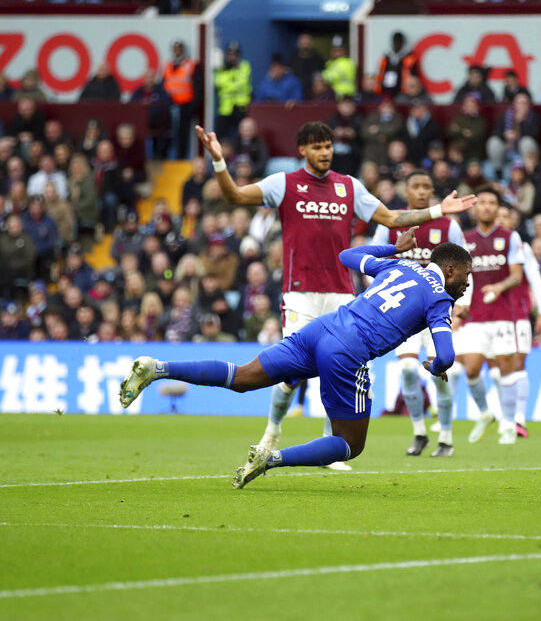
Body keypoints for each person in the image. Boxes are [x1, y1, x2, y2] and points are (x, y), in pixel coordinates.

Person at [193, 121, 477, 469]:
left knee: (340, 366)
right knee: (294, 374)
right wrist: (220, 162)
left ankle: (329, 449)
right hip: (300, 291)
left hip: (342, 292)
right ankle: (274, 430)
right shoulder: (284, 184)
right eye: (317, 146)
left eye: (328, 145)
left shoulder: (349, 187)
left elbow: (391, 217)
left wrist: (437, 211)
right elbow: (236, 196)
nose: (324, 152)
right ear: (302, 150)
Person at [119, 233, 472, 489]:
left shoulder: (399, 268)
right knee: (351, 444)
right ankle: (270, 458)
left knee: (243, 377)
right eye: (467, 277)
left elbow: (349, 254)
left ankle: (156, 367)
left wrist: (395, 247)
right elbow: (445, 355)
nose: (467, 286)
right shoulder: (440, 298)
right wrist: (435, 368)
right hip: (349, 352)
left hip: (322, 328)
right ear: (452, 270)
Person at [371, 171, 468, 457]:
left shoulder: (447, 225)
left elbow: (465, 265)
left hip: (437, 312)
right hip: (404, 314)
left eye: (427, 186)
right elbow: (373, 262)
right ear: (407, 190)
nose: (422, 191)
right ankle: (419, 433)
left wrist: (463, 302)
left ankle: (447, 438)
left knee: (440, 373)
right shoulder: (390, 222)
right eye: (416, 186)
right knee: (409, 370)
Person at [461, 187, 526, 445]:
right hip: (475, 316)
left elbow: (517, 275)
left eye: (492, 203)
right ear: (475, 208)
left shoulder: (510, 237)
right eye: (482, 203)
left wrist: (499, 286)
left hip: (502, 315)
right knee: (472, 368)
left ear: (498, 208)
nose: (487, 207)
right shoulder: (465, 239)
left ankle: (508, 423)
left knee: (506, 370)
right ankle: (486, 412)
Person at [496, 204, 541, 439]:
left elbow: (535, 279)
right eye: (499, 216)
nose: (501, 221)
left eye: (506, 217)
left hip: (517, 314)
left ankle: (518, 418)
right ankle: (501, 415)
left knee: (518, 363)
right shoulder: (478, 246)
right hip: (486, 318)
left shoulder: (521, 247)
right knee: (492, 367)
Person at [162, 40, 200, 160]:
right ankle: (165, 156)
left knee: (183, 134)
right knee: (168, 132)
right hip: (169, 105)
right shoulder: (168, 65)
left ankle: (181, 157)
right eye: (175, 48)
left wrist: (193, 105)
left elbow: (198, 87)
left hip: (185, 105)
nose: (177, 51)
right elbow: (164, 84)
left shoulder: (191, 65)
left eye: (179, 48)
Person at [213, 42, 251, 138]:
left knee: (243, 135)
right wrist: (230, 74)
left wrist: (228, 79)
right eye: (229, 54)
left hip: (241, 107)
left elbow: (242, 83)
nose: (232, 57)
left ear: (238, 55)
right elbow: (218, 83)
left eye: (234, 54)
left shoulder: (245, 66)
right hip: (226, 108)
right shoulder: (222, 68)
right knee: (219, 135)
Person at [375, 32, 420, 98]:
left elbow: (414, 73)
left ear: (402, 42)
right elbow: (381, 72)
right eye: (395, 41)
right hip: (386, 88)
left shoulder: (409, 56)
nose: (397, 43)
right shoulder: (386, 56)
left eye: (399, 41)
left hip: (403, 89)